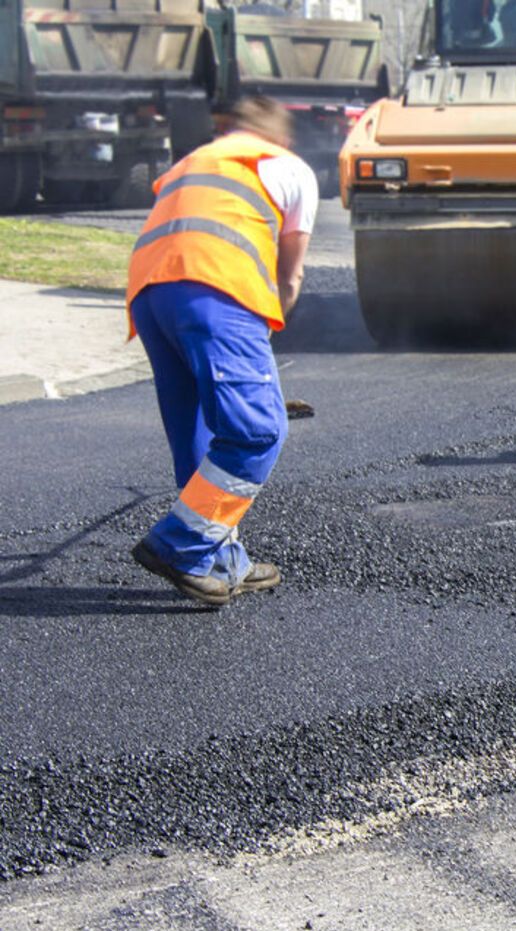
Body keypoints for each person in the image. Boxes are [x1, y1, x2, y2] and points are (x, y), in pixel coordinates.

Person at [127, 95, 319, 605]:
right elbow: (289, 275)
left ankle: (221, 559)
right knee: (257, 431)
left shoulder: (194, 161)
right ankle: (179, 544)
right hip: (216, 288)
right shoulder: (290, 167)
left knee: (198, 430)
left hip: (149, 293)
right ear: (280, 138)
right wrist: (261, 342)